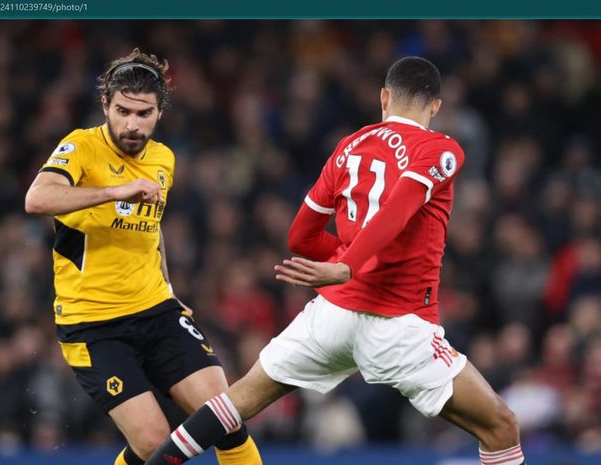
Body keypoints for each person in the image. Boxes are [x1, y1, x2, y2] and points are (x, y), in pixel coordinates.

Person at [144, 57, 526, 465]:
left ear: (384, 97)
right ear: (435, 106)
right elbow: (397, 210)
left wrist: (345, 262)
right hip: (399, 324)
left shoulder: (350, 146)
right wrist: (349, 265)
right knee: (500, 425)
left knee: (235, 403)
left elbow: (300, 236)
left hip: (331, 317)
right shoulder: (440, 149)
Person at [24, 48, 263, 465]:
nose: (132, 124)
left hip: (155, 309)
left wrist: (169, 289)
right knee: (154, 442)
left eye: (143, 114)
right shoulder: (80, 147)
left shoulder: (162, 159)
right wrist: (116, 190)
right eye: (123, 111)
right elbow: (37, 198)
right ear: (105, 105)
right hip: (93, 324)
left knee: (226, 417)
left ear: (159, 113)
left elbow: (152, 228)